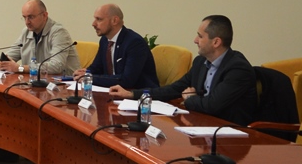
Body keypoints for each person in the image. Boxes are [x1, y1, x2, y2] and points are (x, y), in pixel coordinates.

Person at [109, 15, 256, 126]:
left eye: (200, 36)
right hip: (200, 125)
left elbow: (211, 106)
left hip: (230, 134)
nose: (195, 40)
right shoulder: (200, 62)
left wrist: (190, 99)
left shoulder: (238, 69)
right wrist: (132, 94)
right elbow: (174, 89)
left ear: (216, 42)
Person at [0, 0, 81, 162]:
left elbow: (56, 66)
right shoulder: (27, 32)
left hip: (63, 87)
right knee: (8, 100)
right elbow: (12, 53)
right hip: (37, 85)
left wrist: (20, 68)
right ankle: (9, 148)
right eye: (24, 17)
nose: (27, 22)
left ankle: (46, 155)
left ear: (45, 15)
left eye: (31, 17)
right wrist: (1, 62)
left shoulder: (59, 32)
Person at [73, 4, 159, 89]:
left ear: (114, 20)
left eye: (99, 19)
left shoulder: (134, 43)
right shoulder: (104, 40)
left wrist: (90, 78)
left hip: (138, 93)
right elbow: (97, 68)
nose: (93, 24)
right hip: (112, 91)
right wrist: (84, 73)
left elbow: (127, 80)